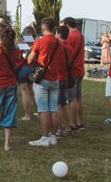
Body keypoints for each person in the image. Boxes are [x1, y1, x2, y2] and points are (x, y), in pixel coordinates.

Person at [27, 18, 68, 147]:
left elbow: (30, 60)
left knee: (43, 110)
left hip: (42, 79)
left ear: (43, 28)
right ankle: (53, 136)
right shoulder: (59, 42)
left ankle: (44, 138)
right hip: (55, 78)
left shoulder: (39, 41)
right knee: (53, 109)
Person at [63, 17, 85, 130]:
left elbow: (67, 53)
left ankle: (72, 123)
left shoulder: (71, 36)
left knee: (71, 99)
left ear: (66, 24)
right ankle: (80, 121)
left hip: (73, 71)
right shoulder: (80, 35)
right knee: (78, 98)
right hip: (80, 69)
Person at [17, 26, 37, 121]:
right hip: (32, 68)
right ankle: (38, 111)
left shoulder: (22, 43)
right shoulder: (36, 43)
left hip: (23, 69)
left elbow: (18, 56)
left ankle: (27, 115)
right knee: (32, 92)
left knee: (24, 92)